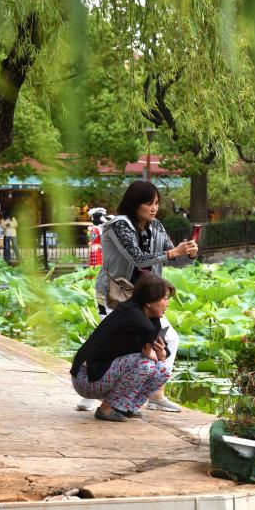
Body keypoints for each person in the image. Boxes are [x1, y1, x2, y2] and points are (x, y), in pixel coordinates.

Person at [76, 181, 197, 413]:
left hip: (143, 298)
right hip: (113, 294)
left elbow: (174, 260)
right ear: (134, 203)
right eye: (148, 203)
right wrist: (172, 252)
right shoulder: (118, 225)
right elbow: (138, 258)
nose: (154, 208)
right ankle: (91, 390)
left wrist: (188, 255)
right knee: (113, 340)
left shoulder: (157, 226)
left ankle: (156, 394)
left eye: (157, 203)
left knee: (170, 339)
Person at [70, 274, 176, 422]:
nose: (167, 304)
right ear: (149, 301)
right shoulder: (130, 312)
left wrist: (162, 354)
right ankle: (106, 410)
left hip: (105, 375)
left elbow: (159, 347)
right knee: (145, 364)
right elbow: (148, 332)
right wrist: (151, 353)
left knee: (162, 371)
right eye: (165, 298)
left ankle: (125, 407)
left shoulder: (152, 319)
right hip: (86, 378)